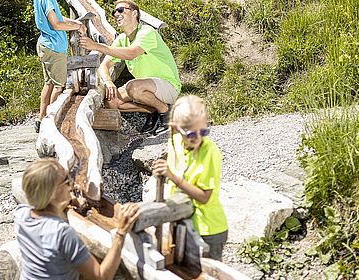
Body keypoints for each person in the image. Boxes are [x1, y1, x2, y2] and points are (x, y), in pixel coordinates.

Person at [15, 157, 140, 279]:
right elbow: (101, 277)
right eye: (67, 181)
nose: (71, 184)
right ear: (53, 193)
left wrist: (69, 200)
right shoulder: (61, 232)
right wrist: (120, 233)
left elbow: (48, 210)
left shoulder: (21, 214)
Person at [80, 0, 181, 135]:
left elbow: (131, 53)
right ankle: (153, 109)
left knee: (133, 87)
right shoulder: (122, 39)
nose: (116, 14)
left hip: (168, 86)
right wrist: (108, 82)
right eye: (114, 12)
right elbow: (104, 66)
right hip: (146, 87)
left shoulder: (146, 32)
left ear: (134, 13)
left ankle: (165, 113)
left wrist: (97, 46)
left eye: (121, 10)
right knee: (111, 101)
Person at [151, 95, 228, 261]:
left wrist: (172, 176)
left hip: (207, 229)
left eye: (204, 131)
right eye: (192, 134)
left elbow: (204, 197)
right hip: (181, 220)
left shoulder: (210, 152)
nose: (199, 138)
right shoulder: (176, 141)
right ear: (175, 129)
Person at [33, 0, 86, 132]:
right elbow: (56, 24)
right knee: (58, 86)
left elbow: (57, 17)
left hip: (45, 45)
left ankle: (41, 119)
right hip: (54, 48)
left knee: (49, 83)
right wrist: (77, 27)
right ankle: (51, 122)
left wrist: (75, 22)